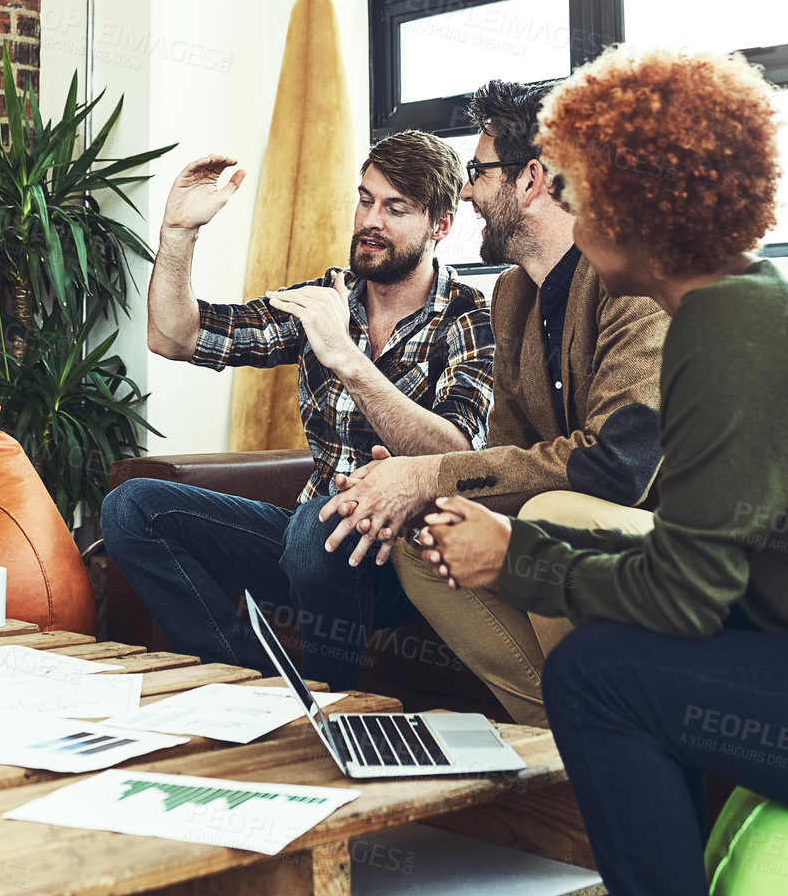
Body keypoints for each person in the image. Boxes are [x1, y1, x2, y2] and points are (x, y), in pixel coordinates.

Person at [417, 47, 788, 896]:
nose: (563, 204)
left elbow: (688, 595)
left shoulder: (735, 329)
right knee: (613, 634)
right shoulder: (734, 311)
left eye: (574, 182)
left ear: (639, 202)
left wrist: (514, 557)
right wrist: (535, 543)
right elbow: (699, 555)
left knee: (595, 676)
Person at [319, 78, 669, 723]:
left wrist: (427, 470)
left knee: (554, 511)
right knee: (427, 532)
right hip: (579, 527)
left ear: (531, 179)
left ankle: (598, 736)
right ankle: (558, 736)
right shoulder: (513, 294)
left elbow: (618, 466)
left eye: (479, 172)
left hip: (666, 535)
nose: (468, 191)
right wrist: (403, 486)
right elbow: (508, 453)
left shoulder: (634, 278)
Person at [100, 131, 494, 686]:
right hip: (307, 544)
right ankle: (251, 683)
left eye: (395, 208)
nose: (370, 220)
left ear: (441, 225)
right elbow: (177, 337)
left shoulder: (469, 319)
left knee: (317, 524)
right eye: (366, 199)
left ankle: (331, 710)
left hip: (403, 561)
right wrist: (179, 232)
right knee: (131, 506)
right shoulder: (326, 300)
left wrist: (349, 359)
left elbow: (457, 454)